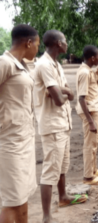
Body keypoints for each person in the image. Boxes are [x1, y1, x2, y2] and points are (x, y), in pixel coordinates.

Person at [33, 30, 87, 223]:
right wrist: (63, 91)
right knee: (50, 170)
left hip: (63, 123)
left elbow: (67, 93)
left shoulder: (56, 64)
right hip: (52, 125)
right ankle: (47, 216)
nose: (67, 43)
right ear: (57, 43)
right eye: (65, 40)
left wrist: (62, 91)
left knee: (62, 164)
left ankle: (63, 197)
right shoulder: (44, 65)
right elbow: (58, 99)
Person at [0, 24, 39, 223]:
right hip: (9, 142)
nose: (37, 49)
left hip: (24, 139)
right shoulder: (4, 63)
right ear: (28, 42)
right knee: (12, 199)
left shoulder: (21, 65)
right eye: (37, 44)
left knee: (23, 195)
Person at [75, 45, 98, 185]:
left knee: (94, 142)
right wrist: (90, 121)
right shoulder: (85, 73)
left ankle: (93, 171)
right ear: (92, 58)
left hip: (94, 110)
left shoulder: (90, 71)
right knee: (90, 145)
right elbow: (81, 98)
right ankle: (88, 177)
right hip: (90, 112)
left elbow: (95, 89)